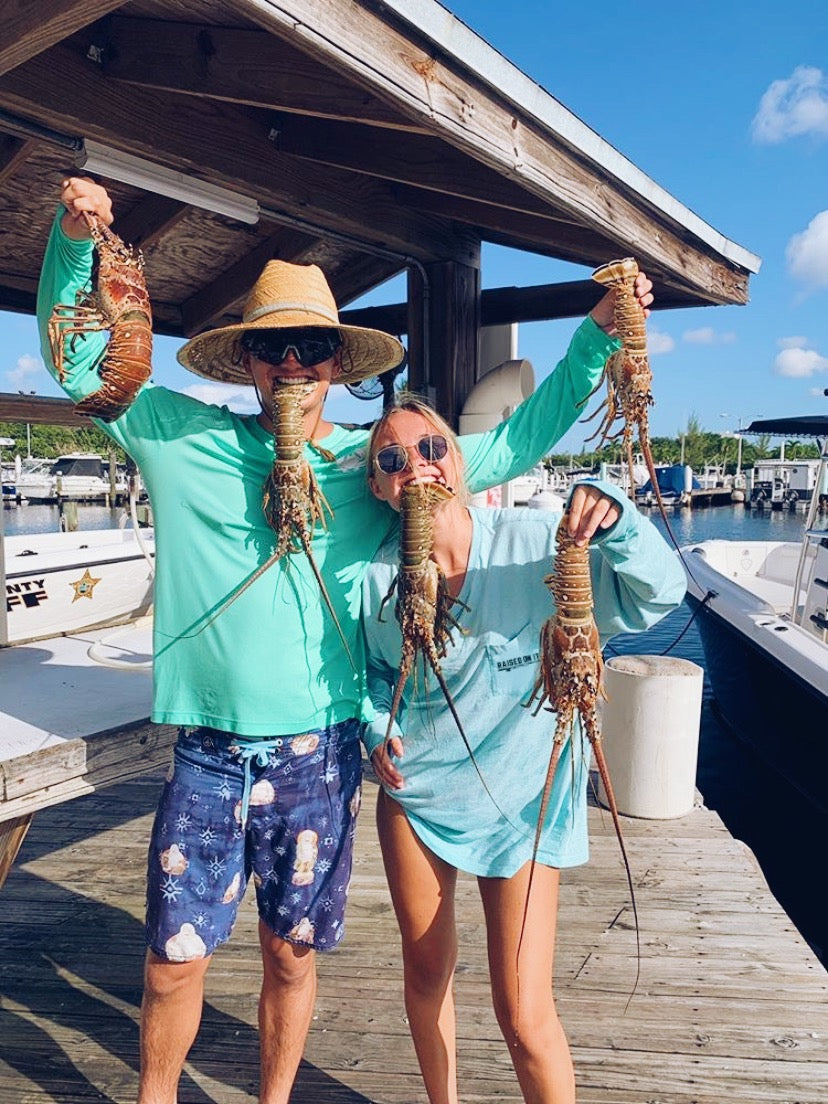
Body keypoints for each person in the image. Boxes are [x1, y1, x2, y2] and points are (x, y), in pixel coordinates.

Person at [37, 175, 653, 1104]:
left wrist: (603, 329)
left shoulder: (376, 469)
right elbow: (86, 369)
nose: (294, 367)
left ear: (338, 364)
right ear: (246, 363)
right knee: (171, 962)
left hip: (321, 755)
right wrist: (74, 243)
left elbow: (525, 435)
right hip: (207, 752)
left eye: (314, 350)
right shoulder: (179, 438)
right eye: (274, 349)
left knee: (290, 957)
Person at [361, 396, 686, 1104]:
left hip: (525, 803)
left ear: (458, 460)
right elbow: (369, 675)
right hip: (418, 796)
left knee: (524, 1011)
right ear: (379, 487)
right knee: (425, 972)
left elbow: (661, 594)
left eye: (430, 448)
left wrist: (619, 520)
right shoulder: (375, 579)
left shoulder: (541, 542)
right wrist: (368, 723)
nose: (414, 466)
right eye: (391, 459)